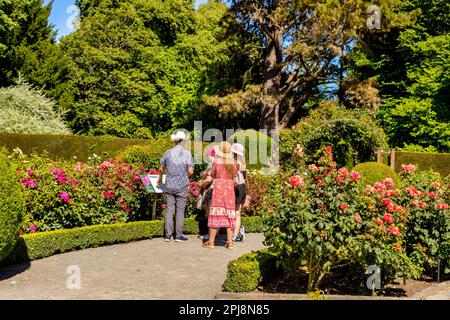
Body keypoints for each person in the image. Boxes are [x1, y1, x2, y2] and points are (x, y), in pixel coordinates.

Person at [157, 131, 194, 242]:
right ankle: (178, 236)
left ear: (174, 141)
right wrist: (183, 176)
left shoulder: (167, 153)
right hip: (182, 185)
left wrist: (159, 180)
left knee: (169, 210)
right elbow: (191, 171)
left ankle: (167, 236)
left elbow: (161, 169)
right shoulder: (187, 154)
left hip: (169, 185)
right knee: (180, 211)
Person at [202, 141, 237, 250]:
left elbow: (211, 175)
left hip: (218, 188)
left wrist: (203, 182)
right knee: (229, 213)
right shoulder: (234, 163)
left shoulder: (216, 162)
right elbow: (235, 177)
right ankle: (230, 242)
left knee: (216, 212)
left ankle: (211, 242)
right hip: (229, 188)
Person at [197, 147, 216, 241]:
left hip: (210, 190)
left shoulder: (211, 164)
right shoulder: (219, 162)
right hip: (217, 190)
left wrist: (201, 183)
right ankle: (214, 234)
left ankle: (209, 235)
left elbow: (209, 179)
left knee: (209, 214)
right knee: (214, 213)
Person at [230, 143, 246, 243]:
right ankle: (235, 235)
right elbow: (245, 178)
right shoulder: (243, 164)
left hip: (233, 187)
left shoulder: (231, 163)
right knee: (237, 212)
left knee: (232, 212)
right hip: (242, 187)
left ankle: (232, 234)